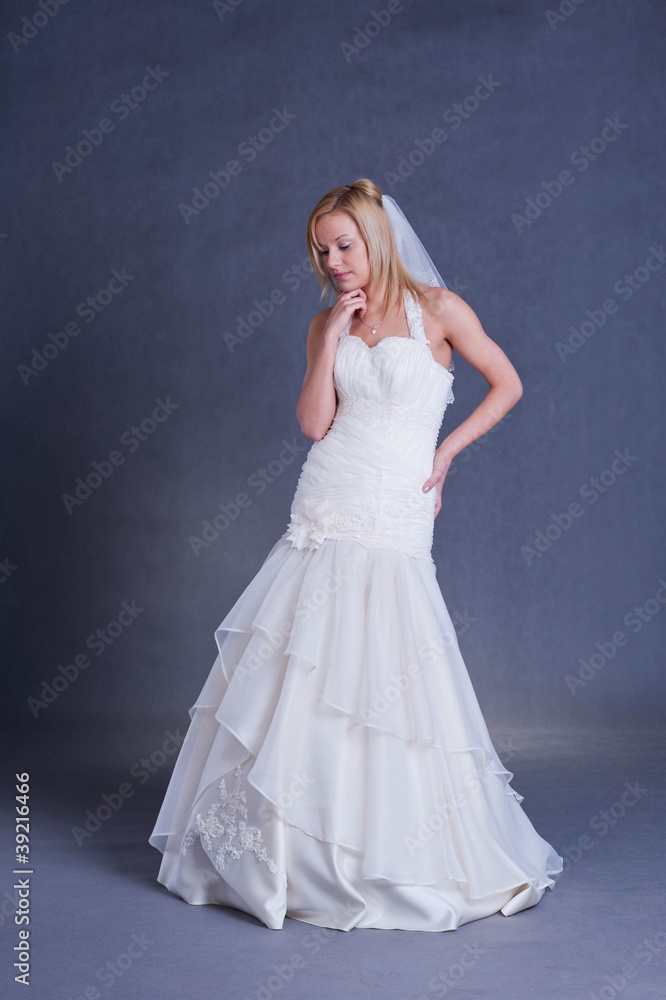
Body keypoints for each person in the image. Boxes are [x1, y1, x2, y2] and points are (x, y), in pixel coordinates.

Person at [149, 178, 563, 932]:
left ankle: (387, 840)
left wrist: (447, 455)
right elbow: (313, 424)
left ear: (377, 238)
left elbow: (506, 384)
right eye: (322, 249)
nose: (334, 261)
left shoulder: (440, 310)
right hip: (328, 493)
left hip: (397, 502)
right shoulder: (324, 324)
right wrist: (333, 338)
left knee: (391, 655)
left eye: (344, 245)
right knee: (303, 652)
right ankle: (294, 847)